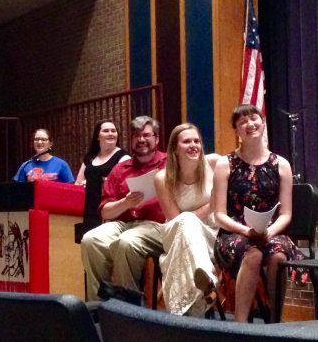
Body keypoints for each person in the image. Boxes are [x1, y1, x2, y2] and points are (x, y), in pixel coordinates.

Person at [213, 104, 305, 322]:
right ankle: (241, 324)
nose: (250, 124)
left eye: (254, 119)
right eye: (242, 122)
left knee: (278, 256)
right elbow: (219, 214)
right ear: (236, 131)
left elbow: (286, 214)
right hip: (234, 232)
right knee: (253, 254)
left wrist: (270, 232)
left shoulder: (281, 164)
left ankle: (274, 322)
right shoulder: (225, 164)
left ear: (262, 123)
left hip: (270, 231)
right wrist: (247, 231)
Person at [81, 116, 166, 302]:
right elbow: (105, 211)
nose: (141, 139)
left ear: (157, 139)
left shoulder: (169, 164)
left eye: (146, 135)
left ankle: (128, 308)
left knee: (126, 243)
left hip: (157, 226)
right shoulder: (120, 169)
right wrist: (125, 203)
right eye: (136, 135)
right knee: (90, 240)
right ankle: (99, 305)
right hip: (123, 223)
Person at [154, 123, 220, 316]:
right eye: (186, 141)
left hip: (211, 232)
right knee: (186, 221)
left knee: (187, 220)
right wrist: (208, 208)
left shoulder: (215, 163)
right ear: (174, 148)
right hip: (178, 234)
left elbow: (223, 203)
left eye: (196, 141)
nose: (193, 145)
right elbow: (176, 219)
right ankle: (207, 279)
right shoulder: (162, 178)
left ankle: (187, 313)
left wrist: (200, 213)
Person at [75, 120, 130, 231]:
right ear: (98, 136)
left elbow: (122, 187)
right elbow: (78, 183)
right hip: (89, 209)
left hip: (110, 211)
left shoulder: (124, 157)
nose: (110, 133)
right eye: (106, 131)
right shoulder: (89, 158)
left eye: (113, 131)